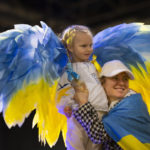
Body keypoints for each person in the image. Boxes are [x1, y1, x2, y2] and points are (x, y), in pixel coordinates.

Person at [72, 60, 150, 150]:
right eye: (115, 78)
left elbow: (99, 135)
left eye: (125, 79)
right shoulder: (108, 105)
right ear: (102, 82)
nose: (121, 83)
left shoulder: (132, 105)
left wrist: (83, 103)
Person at [56, 25, 109, 150]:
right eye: (84, 46)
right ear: (70, 47)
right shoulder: (68, 71)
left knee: (96, 145)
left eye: (90, 45)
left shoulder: (94, 67)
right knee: (75, 143)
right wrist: (66, 105)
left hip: (100, 112)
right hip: (77, 114)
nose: (89, 49)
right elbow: (61, 92)